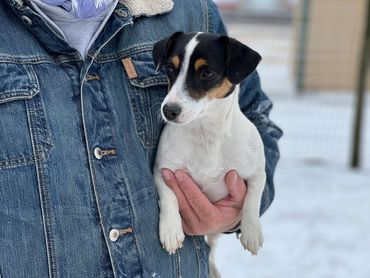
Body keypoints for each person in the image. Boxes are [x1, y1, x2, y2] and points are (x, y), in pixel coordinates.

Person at [0, 0, 282, 277]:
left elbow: (257, 118)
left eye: (204, 74)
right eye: (172, 73)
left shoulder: (193, 10)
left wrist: (240, 211)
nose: (177, 94)